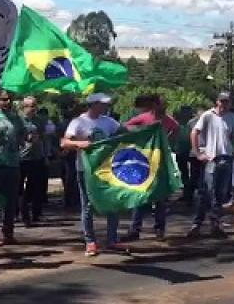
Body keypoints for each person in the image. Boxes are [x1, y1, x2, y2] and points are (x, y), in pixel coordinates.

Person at [62, 93, 121, 257]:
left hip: (107, 169)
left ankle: (112, 239)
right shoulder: (78, 122)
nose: (106, 107)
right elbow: (64, 142)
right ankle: (90, 242)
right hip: (86, 169)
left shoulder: (108, 122)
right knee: (87, 205)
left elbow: (125, 132)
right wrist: (79, 143)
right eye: (103, 104)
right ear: (93, 104)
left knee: (112, 203)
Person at [123, 94, 179, 242]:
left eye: (165, 105)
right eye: (162, 104)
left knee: (161, 198)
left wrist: (167, 142)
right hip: (144, 163)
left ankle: (160, 230)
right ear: (155, 105)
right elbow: (126, 126)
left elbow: (176, 128)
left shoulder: (167, 120)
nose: (164, 107)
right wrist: (140, 137)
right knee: (141, 197)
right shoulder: (144, 117)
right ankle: (135, 229)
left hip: (160, 164)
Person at [187, 92, 234, 239]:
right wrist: (198, 153)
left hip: (226, 158)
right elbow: (194, 133)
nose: (224, 104)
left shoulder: (232, 118)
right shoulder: (208, 115)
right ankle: (198, 223)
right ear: (217, 102)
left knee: (221, 194)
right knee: (207, 192)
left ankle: (215, 224)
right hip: (212, 158)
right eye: (222, 101)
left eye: (227, 102)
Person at [0, 91, 23, 246]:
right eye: (4, 99)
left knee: (10, 201)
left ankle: (8, 232)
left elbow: (21, 135)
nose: (7, 102)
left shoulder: (16, 118)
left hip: (12, 163)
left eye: (10, 99)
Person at [18, 96, 47, 226]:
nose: (33, 108)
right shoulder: (18, 120)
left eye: (34, 105)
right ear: (24, 107)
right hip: (22, 158)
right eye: (30, 106)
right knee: (19, 189)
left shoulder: (39, 121)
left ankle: (36, 214)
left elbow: (43, 137)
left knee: (35, 187)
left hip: (36, 157)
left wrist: (45, 155)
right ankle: (22, 215)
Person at [183, 107, 206, 205]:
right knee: (198, 176)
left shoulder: (192, 122)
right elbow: (188, 137)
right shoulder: (193, 122)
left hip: (200, 152)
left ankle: (193, 197)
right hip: (196, 152)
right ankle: (191, 197)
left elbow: (187, 137)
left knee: (198, 176)